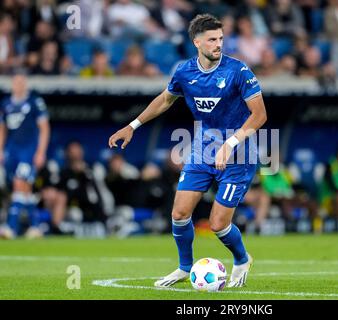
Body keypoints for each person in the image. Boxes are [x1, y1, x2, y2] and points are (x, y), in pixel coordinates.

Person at [109, 14, 267, 288]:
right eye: (212, 40)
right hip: (203, 152)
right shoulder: (184, 72)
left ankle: (241, 259)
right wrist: (133, 126)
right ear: (197, 42)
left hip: (238, 155)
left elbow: (260, 115)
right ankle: (184, 267)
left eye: (221, 38)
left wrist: (230, 145)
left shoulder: (238, 71)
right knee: (179, 213)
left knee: (217, 224)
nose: (219, 44)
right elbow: (165, 100)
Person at [0, 74, 50, 239]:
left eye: (21, 82)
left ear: (26, 84)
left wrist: (41, 152)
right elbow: (2, 130)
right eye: (16, 82)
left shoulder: (35, 102)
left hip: (28, 151)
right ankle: (35, 227)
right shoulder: (5, 104)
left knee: (19, 183)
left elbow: (44, 128)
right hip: (12, 151)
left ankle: (10, 227)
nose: (19, 85)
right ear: (12, 85)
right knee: (26, 189)